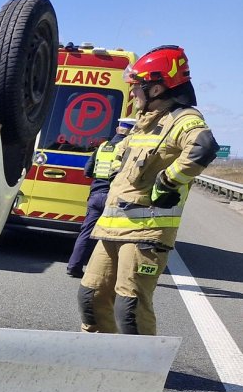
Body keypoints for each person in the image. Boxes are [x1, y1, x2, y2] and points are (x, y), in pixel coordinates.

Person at [78, 46, 219, 335]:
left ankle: (138, 362)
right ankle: (100, 355)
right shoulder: (142, 124)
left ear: (156, 88)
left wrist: (168, 181)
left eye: (136, 86)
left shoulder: (183, 119)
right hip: (112, 228)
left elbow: (203, 147)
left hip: (145, 232)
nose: (132, 93)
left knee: (129, 308)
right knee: (90, 297)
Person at [66, 118, 135, 277]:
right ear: (133, 132)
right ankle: (112, 274)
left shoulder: (103, 147)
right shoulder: (130, 149)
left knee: (86, 233)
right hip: (115, 198)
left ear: (117, 129)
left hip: (96, 196)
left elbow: (87, 171)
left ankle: (73, 266)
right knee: (115, 237)